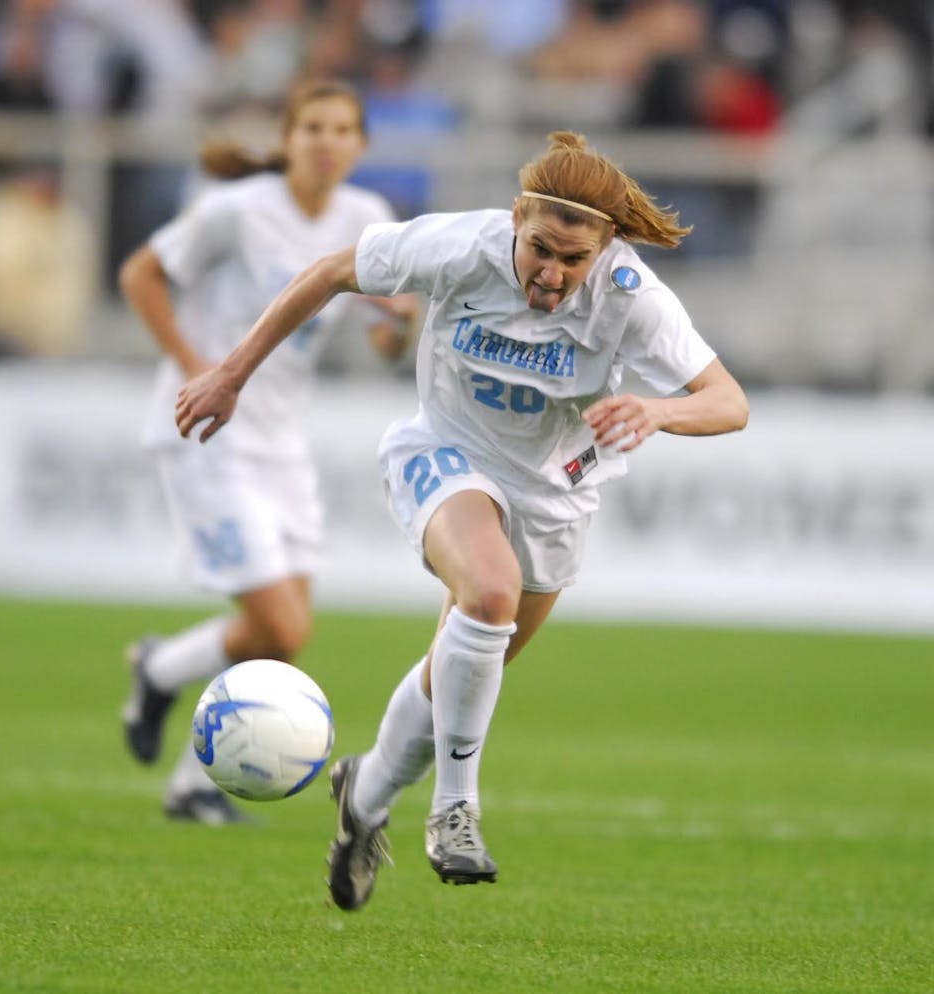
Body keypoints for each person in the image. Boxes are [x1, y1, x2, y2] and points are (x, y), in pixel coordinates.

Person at [174, 131, 749, 897]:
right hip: (443, 452)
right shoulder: (457, 247)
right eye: (540, 248)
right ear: (516, 217)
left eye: (573, 260)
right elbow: (329, 273)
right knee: (488, 592)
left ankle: (365, 798)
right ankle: (454, 809)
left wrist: (656, 410)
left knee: (461, 667)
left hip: (555, 492)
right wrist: (231, 374)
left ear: (606, 245)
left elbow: (728, 401)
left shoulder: (631, 297)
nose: (552, 273)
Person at [119, 78, 415, 825]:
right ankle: (160, 671)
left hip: (282, 439)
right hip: (206, 430)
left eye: (341, 129)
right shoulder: (236, 212)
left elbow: (385, 342)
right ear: (288, 140)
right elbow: (140, 273)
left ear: (360, 145)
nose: (325, 141)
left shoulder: (367, 218)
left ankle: (188, 777)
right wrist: (196, 366)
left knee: (287, 635)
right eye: (311, 127)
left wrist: (398, 326)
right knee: (278, 625)